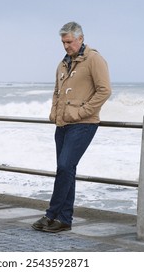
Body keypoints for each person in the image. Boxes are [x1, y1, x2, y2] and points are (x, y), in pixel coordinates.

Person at [32, 21, 112, 233]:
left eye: (69, 42)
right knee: (65, 170)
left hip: (83, 124)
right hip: (62, 124)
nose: (66, 46)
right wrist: (53, 112)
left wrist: (82, 112)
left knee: (66, 167)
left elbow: (104, 91)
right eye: (63, 42)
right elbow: (57, 92)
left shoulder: (94, 59)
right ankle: (64, 220)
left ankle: (51, 214)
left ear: (81, 38)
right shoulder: (62, 63)